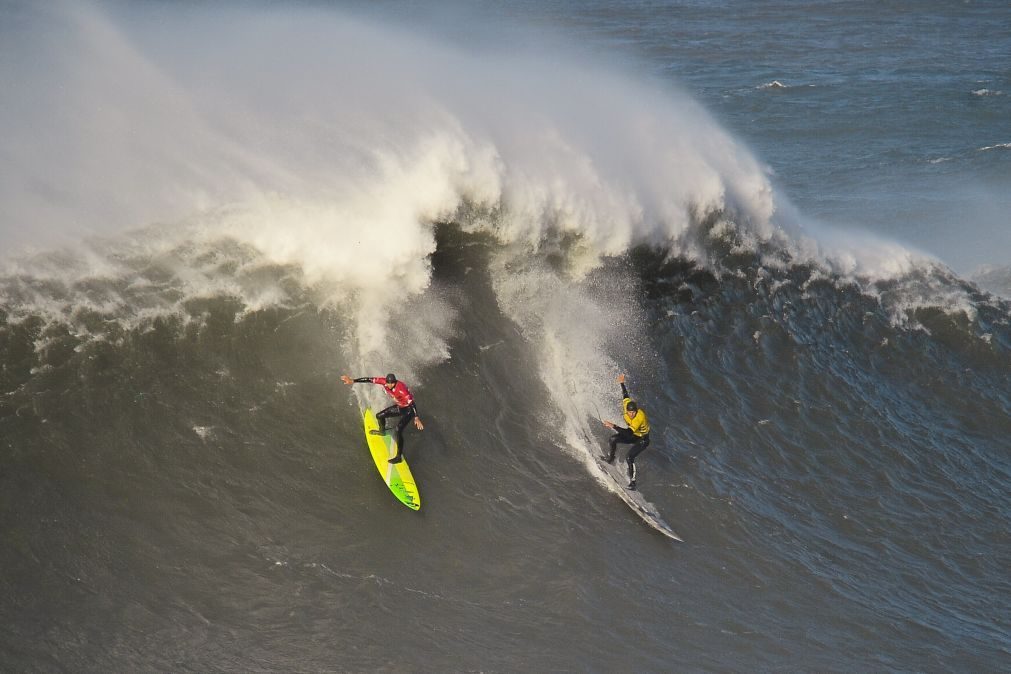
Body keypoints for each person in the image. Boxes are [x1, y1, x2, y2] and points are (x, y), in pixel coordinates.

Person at [341, 372, 424, 463]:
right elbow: (369, 379)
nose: (388, 385)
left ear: (394, 383)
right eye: (387, 383)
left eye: (390, 384)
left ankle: (398, 457)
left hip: (409, 410)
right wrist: (353, 380)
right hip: (400, 407)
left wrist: (416, 417)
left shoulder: (401, 390)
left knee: (398, 430)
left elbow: (412, 404)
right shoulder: (384, 381)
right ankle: (382, 431)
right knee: (379, 416)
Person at [602, 373, 650, 490]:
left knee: (629, 457)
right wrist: (622, 382)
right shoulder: (626, 406)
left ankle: (633, 482)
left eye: (633, 412)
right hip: (633, 436)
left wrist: (613, 425)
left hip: (642, 440)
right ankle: (611, 458)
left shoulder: (639, 417)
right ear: (627, 410)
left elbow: (628, 433)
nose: (631, 414)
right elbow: (625, 395)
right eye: (630, 412)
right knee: (613, 439)